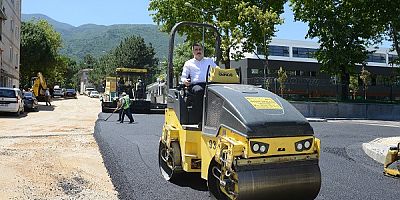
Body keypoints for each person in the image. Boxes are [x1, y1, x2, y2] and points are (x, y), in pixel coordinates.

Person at [181, 43, 217, 123]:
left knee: (218, 92)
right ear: (193, 52)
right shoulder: (188, 63)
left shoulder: (209, 61)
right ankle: (200, 120)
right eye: (196, 50)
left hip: (209, 84)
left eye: (200, 49)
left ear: (203, 50)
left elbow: (218, 70)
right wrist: (185, 81)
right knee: (199, 91)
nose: (198, 51)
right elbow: (183, 77)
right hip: (196, 85)